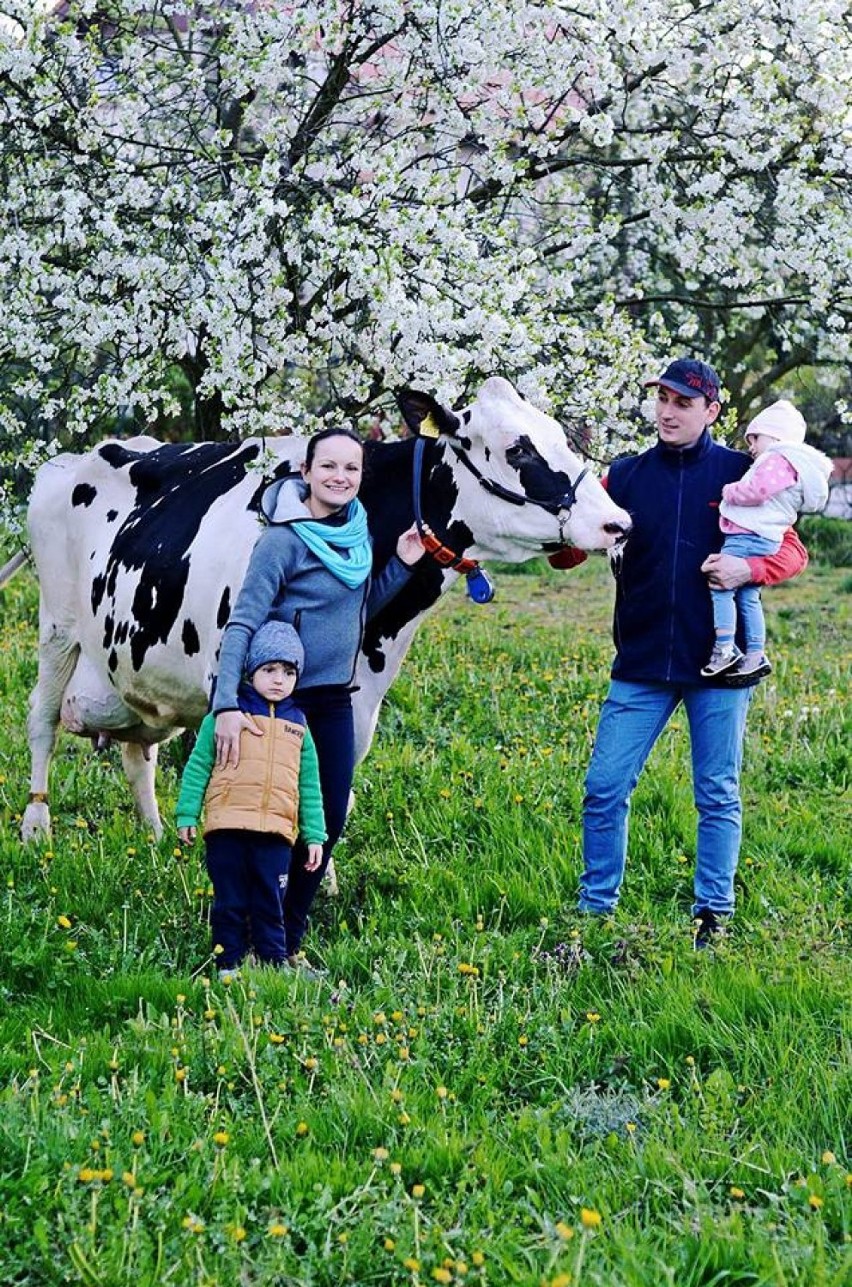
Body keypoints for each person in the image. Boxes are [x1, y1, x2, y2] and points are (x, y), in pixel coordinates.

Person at [565, 358, 809, 946]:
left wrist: (746, 566)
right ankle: (596, 910)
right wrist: (558, 535)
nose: (667, 412)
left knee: (717, 792)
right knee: (603, 788)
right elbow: (571, 546)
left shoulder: (743, 474)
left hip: (718, 666)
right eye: (662, 400)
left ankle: (712, 914)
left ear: (712, 412)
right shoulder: (624, 476)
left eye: (682, 402)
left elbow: (792, 550)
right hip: (642, 661)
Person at [212, 427, 426, 971]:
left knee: (324, 822)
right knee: (266, 827)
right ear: (305, 472)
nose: (340, 477)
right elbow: (243, 622)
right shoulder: (282, 541)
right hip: (278, 703)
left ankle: (286, 937)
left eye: (351, 469)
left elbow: (358, 611)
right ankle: (253, 941)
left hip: (333, 700)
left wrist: (399, 565)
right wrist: (227, 705)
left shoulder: (359, 535)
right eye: (328, 466)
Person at [176, 621, 327, 975]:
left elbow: (309, 785)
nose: (279, 679)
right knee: (230, 900)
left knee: (270, 900)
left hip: (275, 833)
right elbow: (198, 765)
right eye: (269, 669)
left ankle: (273, 961)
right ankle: (228, 961)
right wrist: (187, 814)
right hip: (227, 827)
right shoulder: (227, 714)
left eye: (289, 671)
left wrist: (315, 835)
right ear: (251, 670)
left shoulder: (299, 725)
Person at [701, 400, 832, 680]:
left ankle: (725, 647)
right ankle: (755, 653)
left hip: (746, 536)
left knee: (721, 587)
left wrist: (729, 491)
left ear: (776, 436)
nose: (751, 447)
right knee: (748, 596)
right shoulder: (792, 465)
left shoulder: (776, 460)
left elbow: (757, 490)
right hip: (764, 539)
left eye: (755, 438)